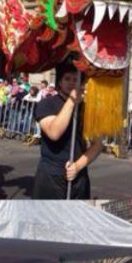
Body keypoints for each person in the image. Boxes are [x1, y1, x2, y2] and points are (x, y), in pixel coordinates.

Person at [33, 60, 101, 199]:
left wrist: (78, 166)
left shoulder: (87, 109)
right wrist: (71, 101)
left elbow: (98, 144)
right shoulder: (46, 104)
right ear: (60, 82)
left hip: (78, 174)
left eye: (75, 79)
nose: (71, 82)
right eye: (67, 79)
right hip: (51, 174)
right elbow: (54, 133)